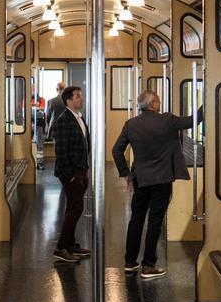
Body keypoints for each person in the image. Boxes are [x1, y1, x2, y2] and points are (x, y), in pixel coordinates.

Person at [112, 89, 195, 279]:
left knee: (137, 218)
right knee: (155, 221)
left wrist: (126, 174)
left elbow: (116, 150)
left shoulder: (131, 124)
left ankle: (130, 262)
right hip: (162, 180)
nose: (159, 103)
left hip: (140, 179)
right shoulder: (167, 120)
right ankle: (148, 265)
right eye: (158, 100)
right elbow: (193, 120)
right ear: (153, 104)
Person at [52, 86, 92, 263]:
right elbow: (61, 151)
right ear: (68, 101)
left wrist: (84, 169)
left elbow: (83, 144)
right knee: (76, 208)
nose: (81, 99)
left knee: (73, 208)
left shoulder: (79, 118)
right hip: (71, 172)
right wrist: (71, 175)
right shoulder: (63, 120)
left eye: (81, 96)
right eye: (78, 97)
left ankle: (70, 244)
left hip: (81, 169)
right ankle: (61, 247)